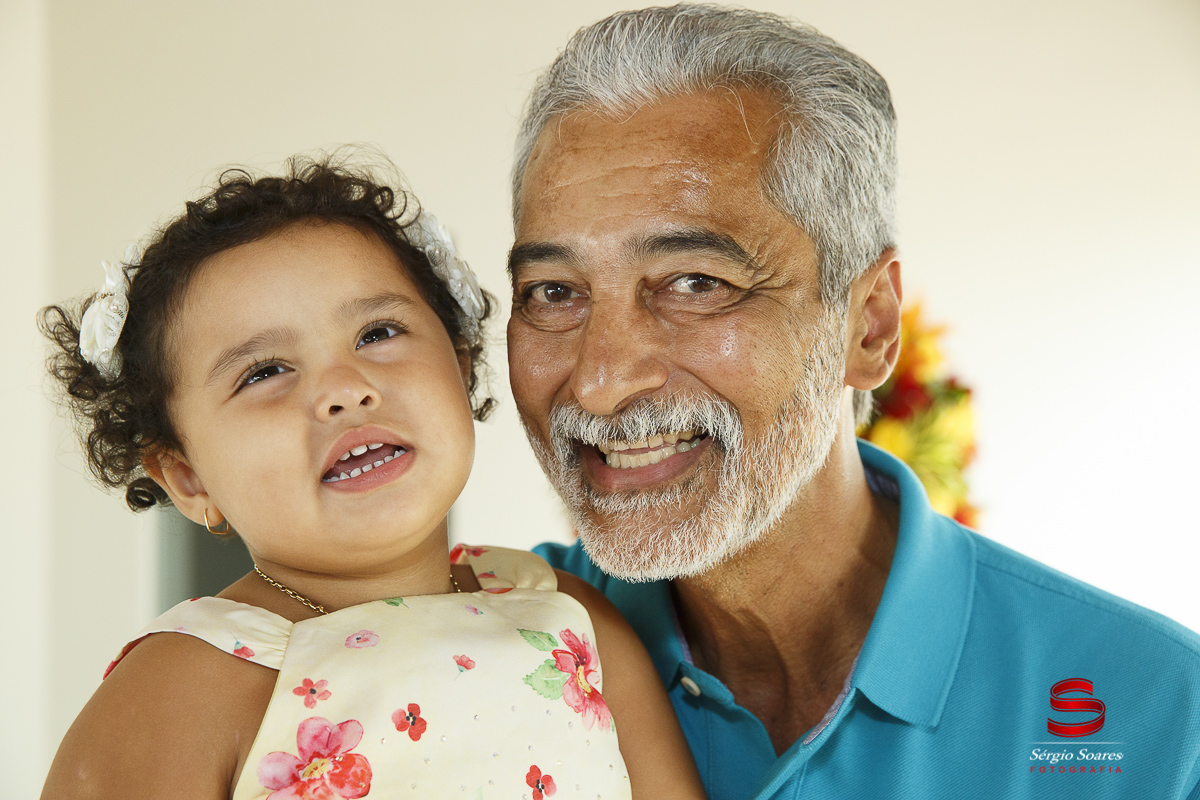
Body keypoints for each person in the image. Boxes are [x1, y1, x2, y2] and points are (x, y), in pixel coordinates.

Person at [506, 6, 1200, 799]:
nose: (601, 380)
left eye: (696, 283)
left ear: (868, 326)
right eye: (553, 292)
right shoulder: (475, 655)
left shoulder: (1163, 725)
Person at [38, 156, 705, 800]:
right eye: (265, 371)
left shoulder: (568, 616)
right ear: (187, 477)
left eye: (378, 332)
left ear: (462, 362)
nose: (345, 389)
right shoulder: (181, 689)